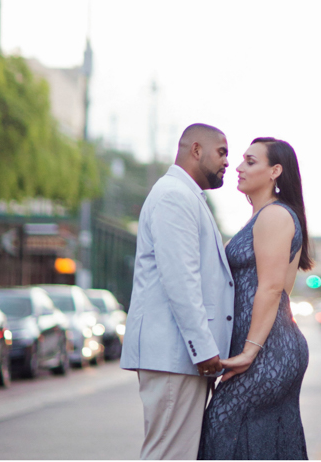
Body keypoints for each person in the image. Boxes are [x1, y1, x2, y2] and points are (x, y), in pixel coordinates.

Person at [121, 123, 235, 460]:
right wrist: (203, 349)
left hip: (179, 357)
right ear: (196, 150)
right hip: (176, 355)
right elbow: (181, 280)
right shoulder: (174, 196)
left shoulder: (185, 195)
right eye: (222, 152)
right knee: (169, 455)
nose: (227, 162)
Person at [198, 137, 313, 459]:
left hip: (269, 352)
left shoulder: (275, 216)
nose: (238, 167)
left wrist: (250, 351)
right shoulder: (264, 217)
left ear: (275, 171)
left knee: (222, 428)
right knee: (258, 442)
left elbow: (273, 288)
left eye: (250, 161)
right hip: (269, 347)